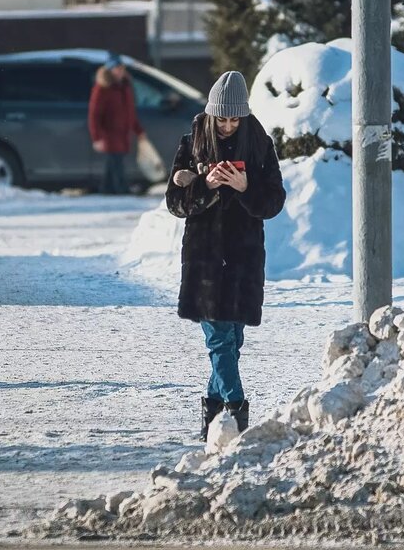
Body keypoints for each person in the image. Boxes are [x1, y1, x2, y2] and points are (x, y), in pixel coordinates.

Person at [166, 71, 286, 440]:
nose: (230, 126)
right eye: (224, 119)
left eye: (236, 119)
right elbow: (174, 203)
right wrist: (205, 186)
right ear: (212, 114)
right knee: (218, 339)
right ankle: (236, 411)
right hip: (204, 258)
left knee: (232, 341)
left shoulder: (259, 143)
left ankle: (212, 415)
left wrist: (246, 188)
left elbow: (274, 202)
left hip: (243, 257)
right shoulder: (193, 143)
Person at [88, 54, 144, 194]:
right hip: (109, 134)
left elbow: (130, 112)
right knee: (116, 163)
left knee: (113, 164)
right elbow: (95, 115)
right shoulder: (102, 88)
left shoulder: (125, 87)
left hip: (123, 133)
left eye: (121, 68)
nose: (119, 71)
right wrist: (97, 137)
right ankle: (121, 190)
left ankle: (106, 189)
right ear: (110, 70)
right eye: (116, 69)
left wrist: (138, 130)